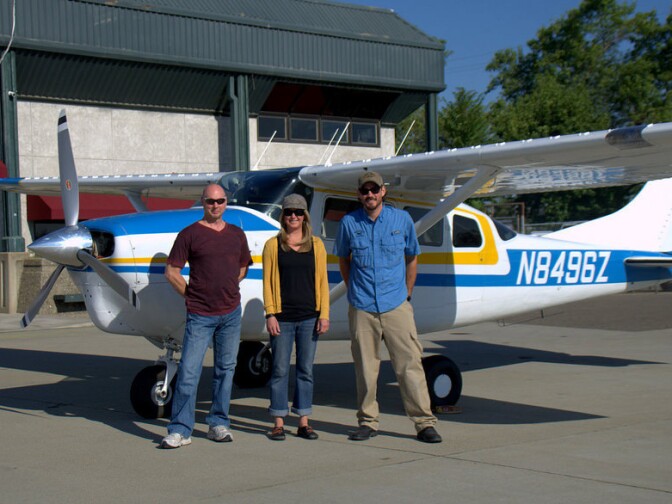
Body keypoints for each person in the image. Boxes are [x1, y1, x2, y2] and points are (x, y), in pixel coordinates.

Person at [334, 171, 442, 443]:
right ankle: (368, 422)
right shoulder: (348, 223)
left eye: (374, 189)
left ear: (383, 191)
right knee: (366, 368)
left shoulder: (401, 219)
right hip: (362, 305)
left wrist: (407, 293)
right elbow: (344, 260)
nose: (369, 194)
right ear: (359, 195)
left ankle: (423, 423)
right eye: (364, 190)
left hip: (396, 304)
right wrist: (354, 288)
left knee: (409, 365)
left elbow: (412, 257)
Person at [161, 183, 252, 449]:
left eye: (220, 201)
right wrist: (192, 296)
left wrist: (226, 287)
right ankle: (180, 429)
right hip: (200, 315)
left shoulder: (236, 234)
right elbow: (172, 272)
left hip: (231, 314)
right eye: (210, 201)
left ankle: (218, 423)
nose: (215, 206)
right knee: (189, 372)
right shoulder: (189, 234)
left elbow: (244, 266)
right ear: (202, 202)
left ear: (226, 203)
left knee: (226, 371)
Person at [262, 194, 330, 441]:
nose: (293, 216)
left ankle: (303, 421)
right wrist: (270, 313)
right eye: (289, 211)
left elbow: (322, 282)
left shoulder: (317, 245)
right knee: (279, 369)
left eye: (298, 212)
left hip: (309, 318)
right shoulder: (272, 245)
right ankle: (278, 422)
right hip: (282, 318)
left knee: (305, 370)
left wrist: (324, 314)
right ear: (283, 215)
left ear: (305, 217)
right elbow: (268, 283)